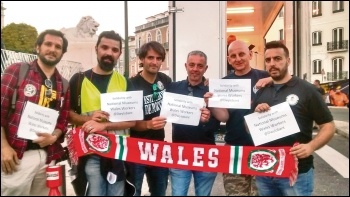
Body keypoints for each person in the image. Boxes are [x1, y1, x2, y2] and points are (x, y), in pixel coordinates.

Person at [252, 41, 335, 196]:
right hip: (265, 172)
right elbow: (249, 128)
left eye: (277, 59)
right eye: (268, 60)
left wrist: (311, 147)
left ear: (288, 61)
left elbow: (328, 126)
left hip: (297, 172)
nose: (272, 64)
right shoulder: (262, 91)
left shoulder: (306, 90)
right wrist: (256, 115)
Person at [1, 29, 70, 196]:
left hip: (48, 156)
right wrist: (3, 147)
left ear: (62, 52)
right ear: (38, 47)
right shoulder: (17, 71)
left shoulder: (64, 84)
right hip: (17, 156)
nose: (52, 49)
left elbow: (63, 120)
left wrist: (53, 136)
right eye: (48, 44)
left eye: (58, 47)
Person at [68, 30, 136, 196]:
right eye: (104, 47)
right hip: (90, 153)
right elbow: (68, 114)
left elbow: (133, 121)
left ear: (119, 53)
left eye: (114, 50)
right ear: (96, 48)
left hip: (118, 153)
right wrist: (89, 118)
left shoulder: (125, 82)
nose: (109, 53)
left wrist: (103, 125)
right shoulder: (78, 80)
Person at [205, 40, 272, 196]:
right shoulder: (223, 83)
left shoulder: (265, 77)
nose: (238, 59)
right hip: (234, 149)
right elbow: (224, 116)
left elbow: (288, 80)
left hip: (262, 148)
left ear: (249, 55)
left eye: (242, 54)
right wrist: (212, 103)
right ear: (229, 59)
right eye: (233, 56)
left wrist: (271, 80)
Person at [166, 50, 220, 196]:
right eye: (192, 65)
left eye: (200, 66)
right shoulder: (173, 88)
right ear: (186, 66)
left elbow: (218, 124)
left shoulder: (213, 91)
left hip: (206, 154)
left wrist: (207, 121)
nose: (195, 69)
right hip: (180, 154)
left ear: (205, 68)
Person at [127, 41, 172, 196]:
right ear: (142, 59)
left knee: (160, 191)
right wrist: (148, 125)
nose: (154, 62)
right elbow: (128, 122)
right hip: (136, 147)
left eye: (158, 58)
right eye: (150, 58)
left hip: (159, 146)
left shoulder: (165, 80)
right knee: (134, 191)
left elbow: (180, 100)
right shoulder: (131, 84)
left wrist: (205, 85)